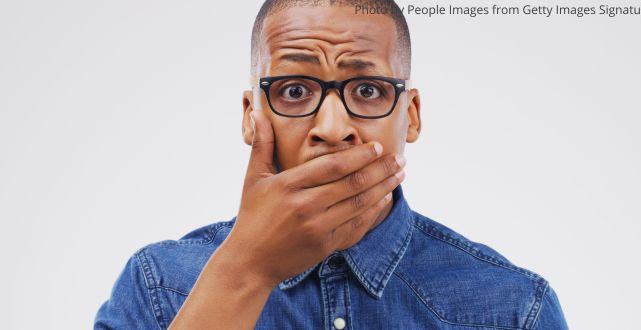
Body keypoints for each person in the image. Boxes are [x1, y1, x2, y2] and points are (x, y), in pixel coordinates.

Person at [95, 0, 569, 329]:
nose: (332, 127)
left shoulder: (513, 308)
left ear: (412, 116)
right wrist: (247, 269)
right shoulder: (158, 286)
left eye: (367, 91)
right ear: (250, 117)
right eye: (295, 91)